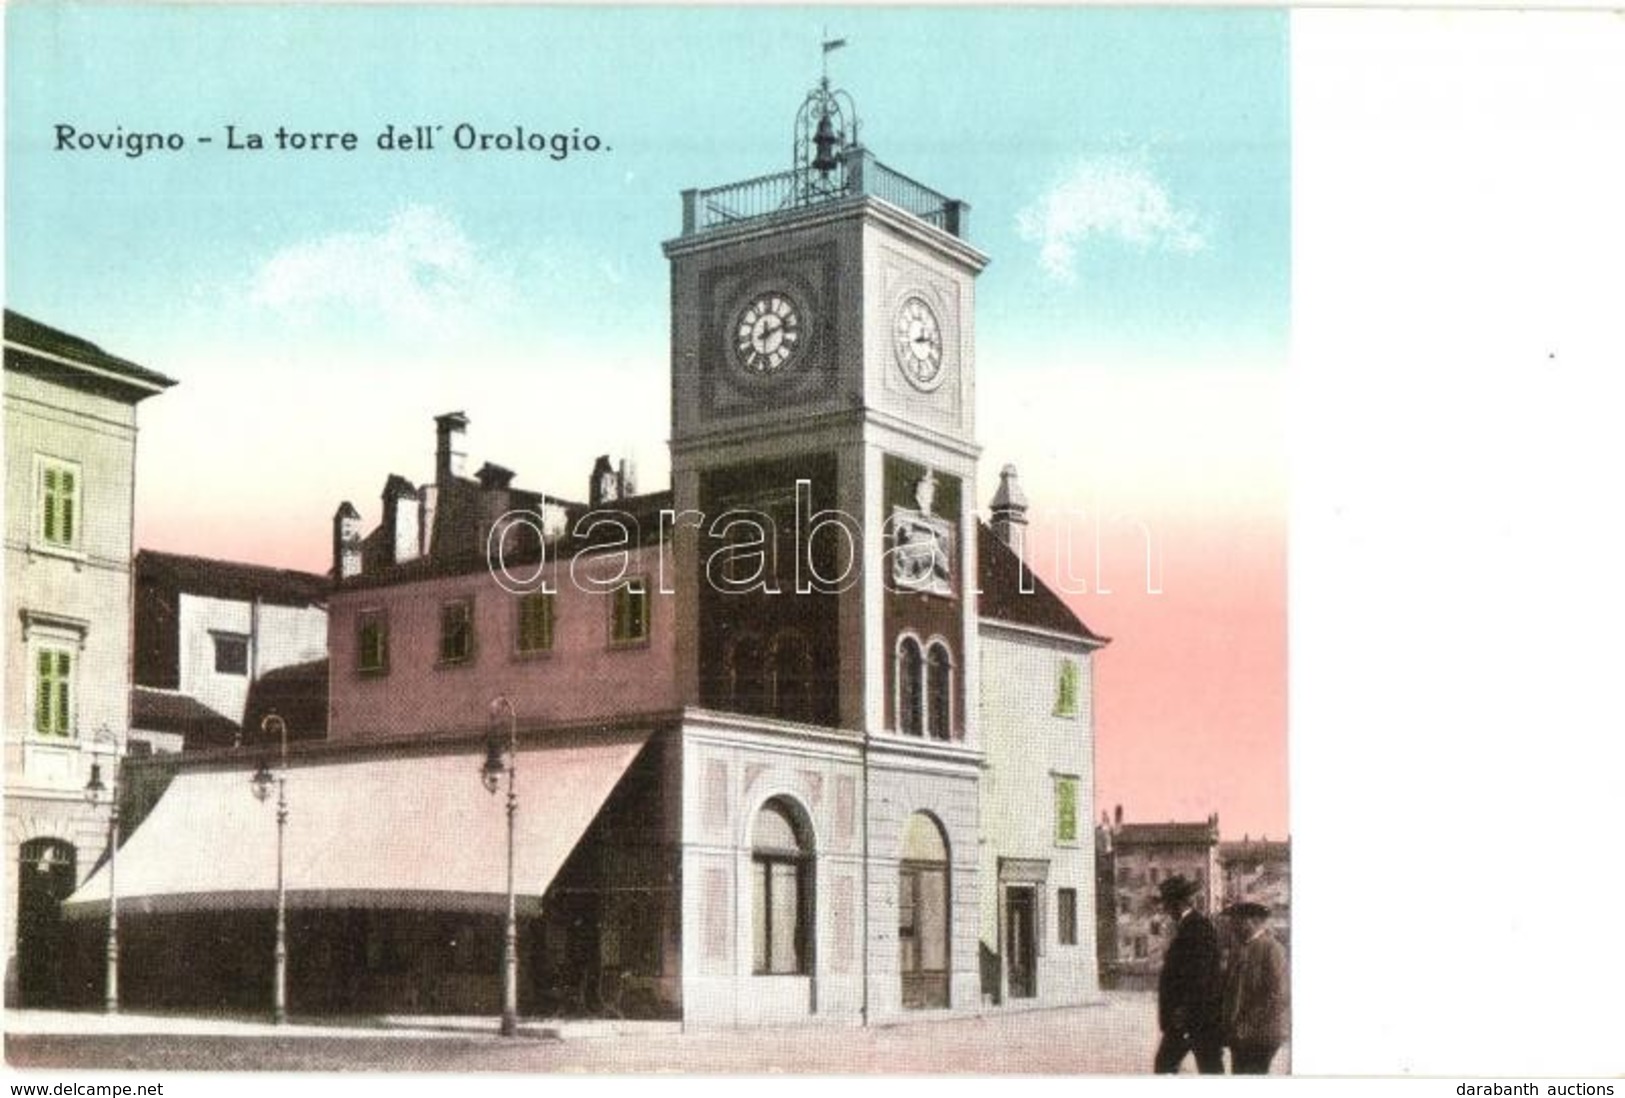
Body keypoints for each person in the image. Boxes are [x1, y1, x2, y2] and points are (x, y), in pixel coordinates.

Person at [1153, 875, 1225, 1074]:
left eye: (1167, 904)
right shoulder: (1189, 926)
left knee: (1169, 1066)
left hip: (1194, 1018)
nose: (1165, 909)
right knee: (1206, 1067)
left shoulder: (1197, 928)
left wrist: (1183, 1011)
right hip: (1191, 1017)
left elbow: (1200, 976)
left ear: (1177, 903)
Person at [1221, 901, 1290, 1074]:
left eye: (1235, 922)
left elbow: (1279, 995)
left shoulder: (1272, 949)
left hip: (1262, 1034)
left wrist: (1248, 1024)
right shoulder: (1240, 948)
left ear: (1250, 921)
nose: (1231, 927)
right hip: (1241, 1035)